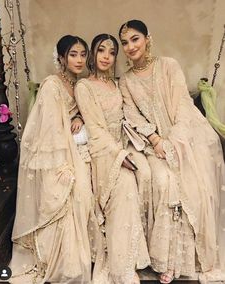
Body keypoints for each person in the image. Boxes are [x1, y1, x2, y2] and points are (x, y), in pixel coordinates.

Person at [118, 20, 225, 283]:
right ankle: (165, 260)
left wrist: (172, 143)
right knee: (164, 181)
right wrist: (156, 140)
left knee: (194, 188)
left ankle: (187, 259)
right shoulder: (127, 81)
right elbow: (131, 115)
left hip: (186, 136)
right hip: (152, 144)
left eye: (135, 39)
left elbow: (181, 108)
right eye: (125, 42)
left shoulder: (168, 65)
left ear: (147, 38)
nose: (130, 46)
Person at [10, 35, 102, 284]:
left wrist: (79, 117)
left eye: (83, 54)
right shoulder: (52, 85)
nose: (79, 59)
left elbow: (78, 112)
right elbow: (48, 130)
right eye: (73, 54)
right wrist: (64, 165)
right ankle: (64, 261)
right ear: (61, 57)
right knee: (78, 191)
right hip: (55, 157)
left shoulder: (78, 84)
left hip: (75, 149)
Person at [75, 33, 151, 284]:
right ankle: (121, 269)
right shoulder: (84, 86)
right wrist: (118, 156)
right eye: (101, 50)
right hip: (103, 152)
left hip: (124, 146)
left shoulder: (117, 85)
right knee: (126, 186)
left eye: (111, 52)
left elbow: (129, 116)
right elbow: (95, 130)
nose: (106, 56)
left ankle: (133, 259)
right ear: (93, 55)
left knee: (148, 176)